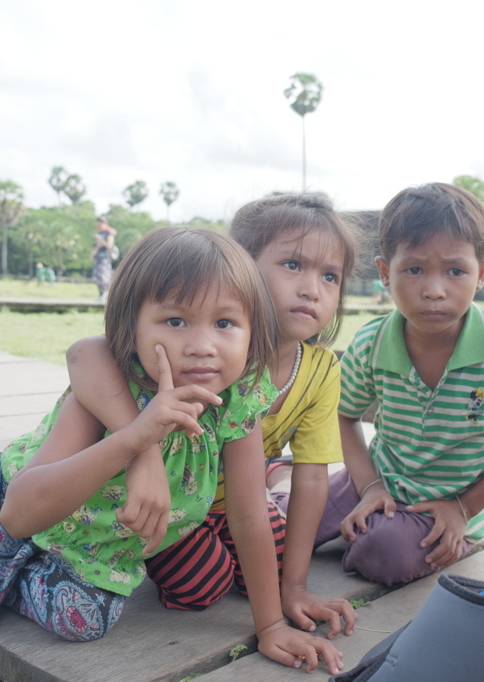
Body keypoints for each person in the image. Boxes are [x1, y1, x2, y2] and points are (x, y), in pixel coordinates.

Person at [0, 227, 345, 678]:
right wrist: (137, 440)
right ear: (130, 326)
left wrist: (270, 623)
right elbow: (20, 512)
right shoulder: (106, 392)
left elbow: (251, 514)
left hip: (92, 545)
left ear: (253, 331)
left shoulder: (236, 403)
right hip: (13, 516)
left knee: (84, 621)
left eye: (225, 323)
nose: (203, 345)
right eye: (176, 321)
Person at [65, 192, 361, 638]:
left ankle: (267, 486)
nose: (311, 288)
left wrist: (294, 587)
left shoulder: (320, 370)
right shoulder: (205, 357)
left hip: (241, 502)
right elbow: (90, 353)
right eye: (293, 265)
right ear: (240, 266)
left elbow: (313, 476)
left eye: (331, 276)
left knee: (271, 568)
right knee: (203, 585)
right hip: (171, 505)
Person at [320, 182, 484, 587]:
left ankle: (368, 533)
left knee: (385, 553)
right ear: (385, 273)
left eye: (456, 271)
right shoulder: (371, 343)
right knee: (284, 526)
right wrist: (370, 487)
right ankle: (290, 485)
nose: (434, 290)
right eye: (414, 269)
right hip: (374, 480)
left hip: (448, 506)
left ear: (482, 274)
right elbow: (343, 416)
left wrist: (463, 507)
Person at [91, 216, 117, 301]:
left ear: (104, 223)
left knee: (104, 277)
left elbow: (109, 245)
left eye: (99, 225)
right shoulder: (100, 232)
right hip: (98, 258)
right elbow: (98, 246)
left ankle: (107, 295)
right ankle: (101, 295)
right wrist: (93, 253)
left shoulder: (109, 233)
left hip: (105, 258)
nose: (98, 227)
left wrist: (100, 239)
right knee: (96, 277)